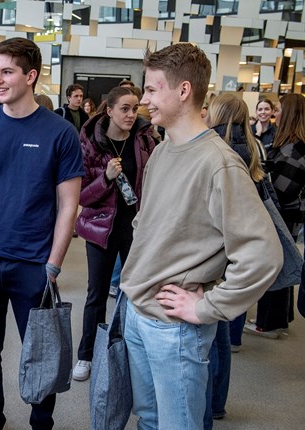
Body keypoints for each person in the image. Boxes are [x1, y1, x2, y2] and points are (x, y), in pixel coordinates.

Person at [120, 43, 283, 430]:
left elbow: (263, 255)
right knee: (149, 419)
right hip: (138, 311)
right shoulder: (162, 150)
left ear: (183, 91)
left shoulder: (219, 163)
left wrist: (207, 307)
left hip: (175, 327)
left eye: (152, 89)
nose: (144, 100)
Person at [0, 37, 83, 430]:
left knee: (40, 355)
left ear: (31, 75)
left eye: (7, 71)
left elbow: (68, 206)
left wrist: (54, 265)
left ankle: (42, 424)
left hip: (34, 268)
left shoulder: (60, 133)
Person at [73, 85, 156, 381]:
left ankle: (124, 350)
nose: (132, 114)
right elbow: (81, 195)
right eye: (125, 108)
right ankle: (86, 354)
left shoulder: (145, 139)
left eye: (135, 109)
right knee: (96, 294)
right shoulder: (91, 142)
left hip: (135, 228)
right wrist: (106, 178)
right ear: (109, 110)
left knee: (132, 293)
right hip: (100, 229)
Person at [203, 92, 266, 427]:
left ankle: (212, 403)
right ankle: (218, 403)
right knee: (224, 334)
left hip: (223, 251)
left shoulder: (225, 153)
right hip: (239, 250)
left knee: (213, 333)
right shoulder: (252, 147)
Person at [244, 93, 305, 338]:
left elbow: (282, 188)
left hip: (285, 214)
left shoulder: (294, 148)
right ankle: (276, 319)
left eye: (278, 109)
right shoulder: (291, 144)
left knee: (277, 262)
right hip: (289, 213)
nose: (273, 113)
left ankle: (268, 322)